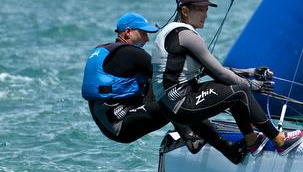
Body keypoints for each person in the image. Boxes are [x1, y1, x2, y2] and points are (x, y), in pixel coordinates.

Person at [151, 0, 303, 156]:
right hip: (180, 105)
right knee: (241, 91)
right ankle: (279, 140)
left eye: (206, 10)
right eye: (200, 10)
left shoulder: (172, 32)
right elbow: (221, 74)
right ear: (185, 11)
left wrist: (251, 72)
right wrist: (252, 85)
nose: (205, 15)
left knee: (231, 88)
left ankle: (251, 140)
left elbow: (216, 70)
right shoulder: (187, 36)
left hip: (171, 106)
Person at [81, 12, 246, 163]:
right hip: (122, 124)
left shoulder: (106, 50)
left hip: (108, 124)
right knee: (175, 100)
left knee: (162, 88)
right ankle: (226, 149)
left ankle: (191, 133)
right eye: (143, 33)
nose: (147, 39)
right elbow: (171, 74)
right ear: (128, 32)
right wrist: (234, 76)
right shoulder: (132, 53)